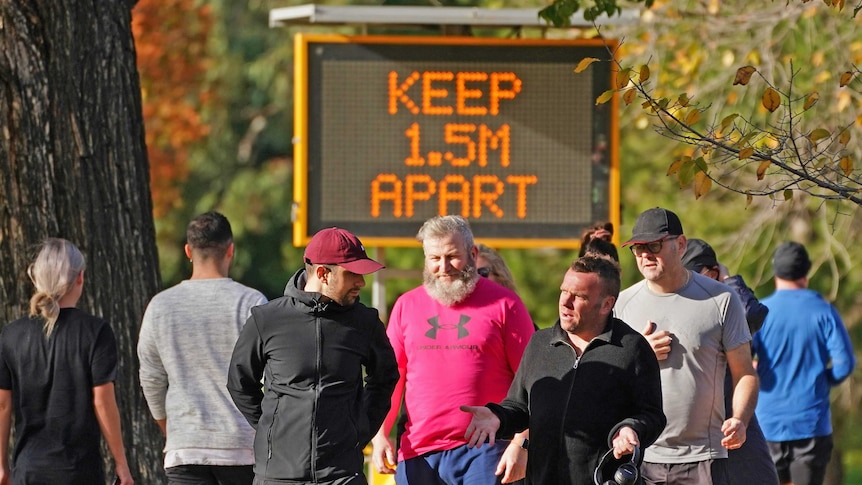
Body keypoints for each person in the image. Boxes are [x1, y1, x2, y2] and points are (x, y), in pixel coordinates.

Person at [460, 256, 666, 485]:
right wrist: (498, 416)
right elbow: (519, 406)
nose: (565, 302)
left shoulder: (632, 348)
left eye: (578, 296)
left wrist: (631, 428)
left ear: (607, 304)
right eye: (564, 291)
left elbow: (653, 415)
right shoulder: (540, 343)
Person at [370, 215, 536, 485]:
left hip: (487, 448)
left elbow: (533, 381)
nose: (443, 267)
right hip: (419, 452)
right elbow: (391, 379)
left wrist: (521, 443)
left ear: (472, 253)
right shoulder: (406, 306)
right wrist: (380, 435)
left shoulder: (506, 304)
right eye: (434, 258)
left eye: (452, 256)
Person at [227, 227, 399, 485]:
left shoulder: (366, 323)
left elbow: (385, 378)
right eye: (353, 274)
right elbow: (240, 384)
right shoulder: (266, 319)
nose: (361, 283)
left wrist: (359, 429)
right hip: (278, 476)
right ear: (323, 273)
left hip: (343, 476)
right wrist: (273, 429)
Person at [614, 207, 759, 485]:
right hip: (640, 456)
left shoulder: (721, 299)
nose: (645, 254)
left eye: (653, 245)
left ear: (680, 245)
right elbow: (605, 380)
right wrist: (639, 356)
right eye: (637, 248)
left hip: (703, 458)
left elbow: (745, 374)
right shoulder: (621, 304)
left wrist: (740, 419)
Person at [138, 211, 267, 484]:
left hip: (185, 447)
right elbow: (270, 376)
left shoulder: (160, 306)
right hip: (241, 447)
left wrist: (171, 429)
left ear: (188, 250)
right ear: (230, 250)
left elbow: (151, 380)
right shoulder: (251, 303)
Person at [0, 238, 134, 484]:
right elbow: (103, 401)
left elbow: (3, 404)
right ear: (80, 277)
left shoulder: (11, 335)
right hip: (79, 471)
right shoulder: (96, 332)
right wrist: (121, 464)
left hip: (28, 470)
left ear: (36, 278)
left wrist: (1, 465)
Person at [752, 241, 856, 485]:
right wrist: (824, 379)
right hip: (810, 420)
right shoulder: (824, 311)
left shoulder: (761, 312)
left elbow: (741, 359)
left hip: (768, 422)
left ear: (775, 271)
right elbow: (844, 363)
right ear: (806, 272)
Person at [681, 238, 778, 485]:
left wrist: (726, 280)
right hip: (689, 429)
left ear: (712, 274)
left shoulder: (726, 307)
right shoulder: (674, 305)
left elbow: (752, 314)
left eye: (695, 278)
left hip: (734, 419)